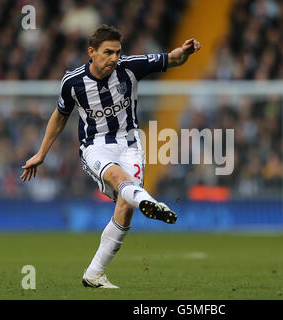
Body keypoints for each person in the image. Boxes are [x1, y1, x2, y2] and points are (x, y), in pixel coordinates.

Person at [20, 24, 201, 288]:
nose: (114, 58)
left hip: (131, 145)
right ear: (91, 52)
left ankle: (94, 273)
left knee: (125, 206)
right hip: (95, 147)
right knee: (120, 179)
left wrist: (186, 51)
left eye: (117, 52)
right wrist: (41, 152)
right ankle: (148, 200)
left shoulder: (131, 67)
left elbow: (172, 58)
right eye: (108, 52)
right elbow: (60, 116)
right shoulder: (73, 82)